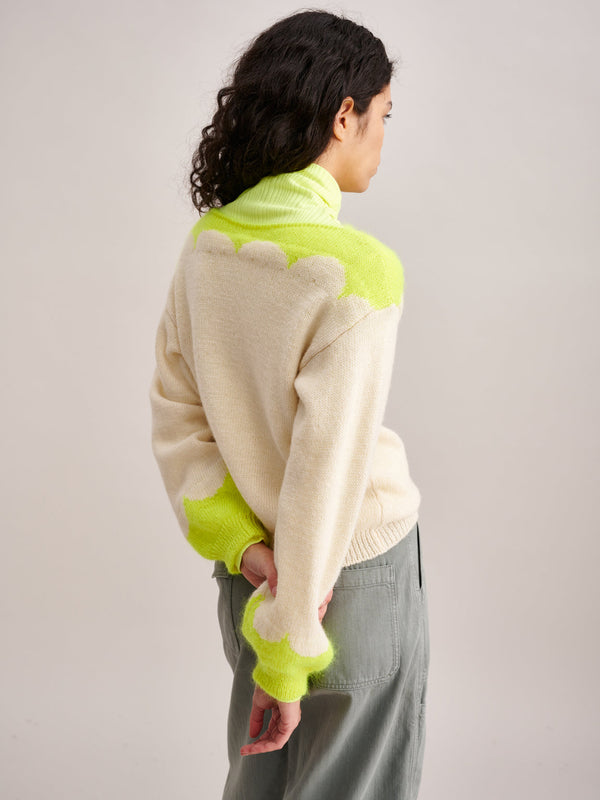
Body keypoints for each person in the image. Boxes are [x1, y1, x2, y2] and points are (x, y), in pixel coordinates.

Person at [149, 9, 430, 799]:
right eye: (382, 115)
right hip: (348, 584)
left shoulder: (206, 248)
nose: (383, 137)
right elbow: (325, 471)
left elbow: (177, 416)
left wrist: (246, 548)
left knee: (261, 784)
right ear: (344, 115)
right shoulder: (357, 272)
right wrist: (288, 646)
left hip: (256, 584)